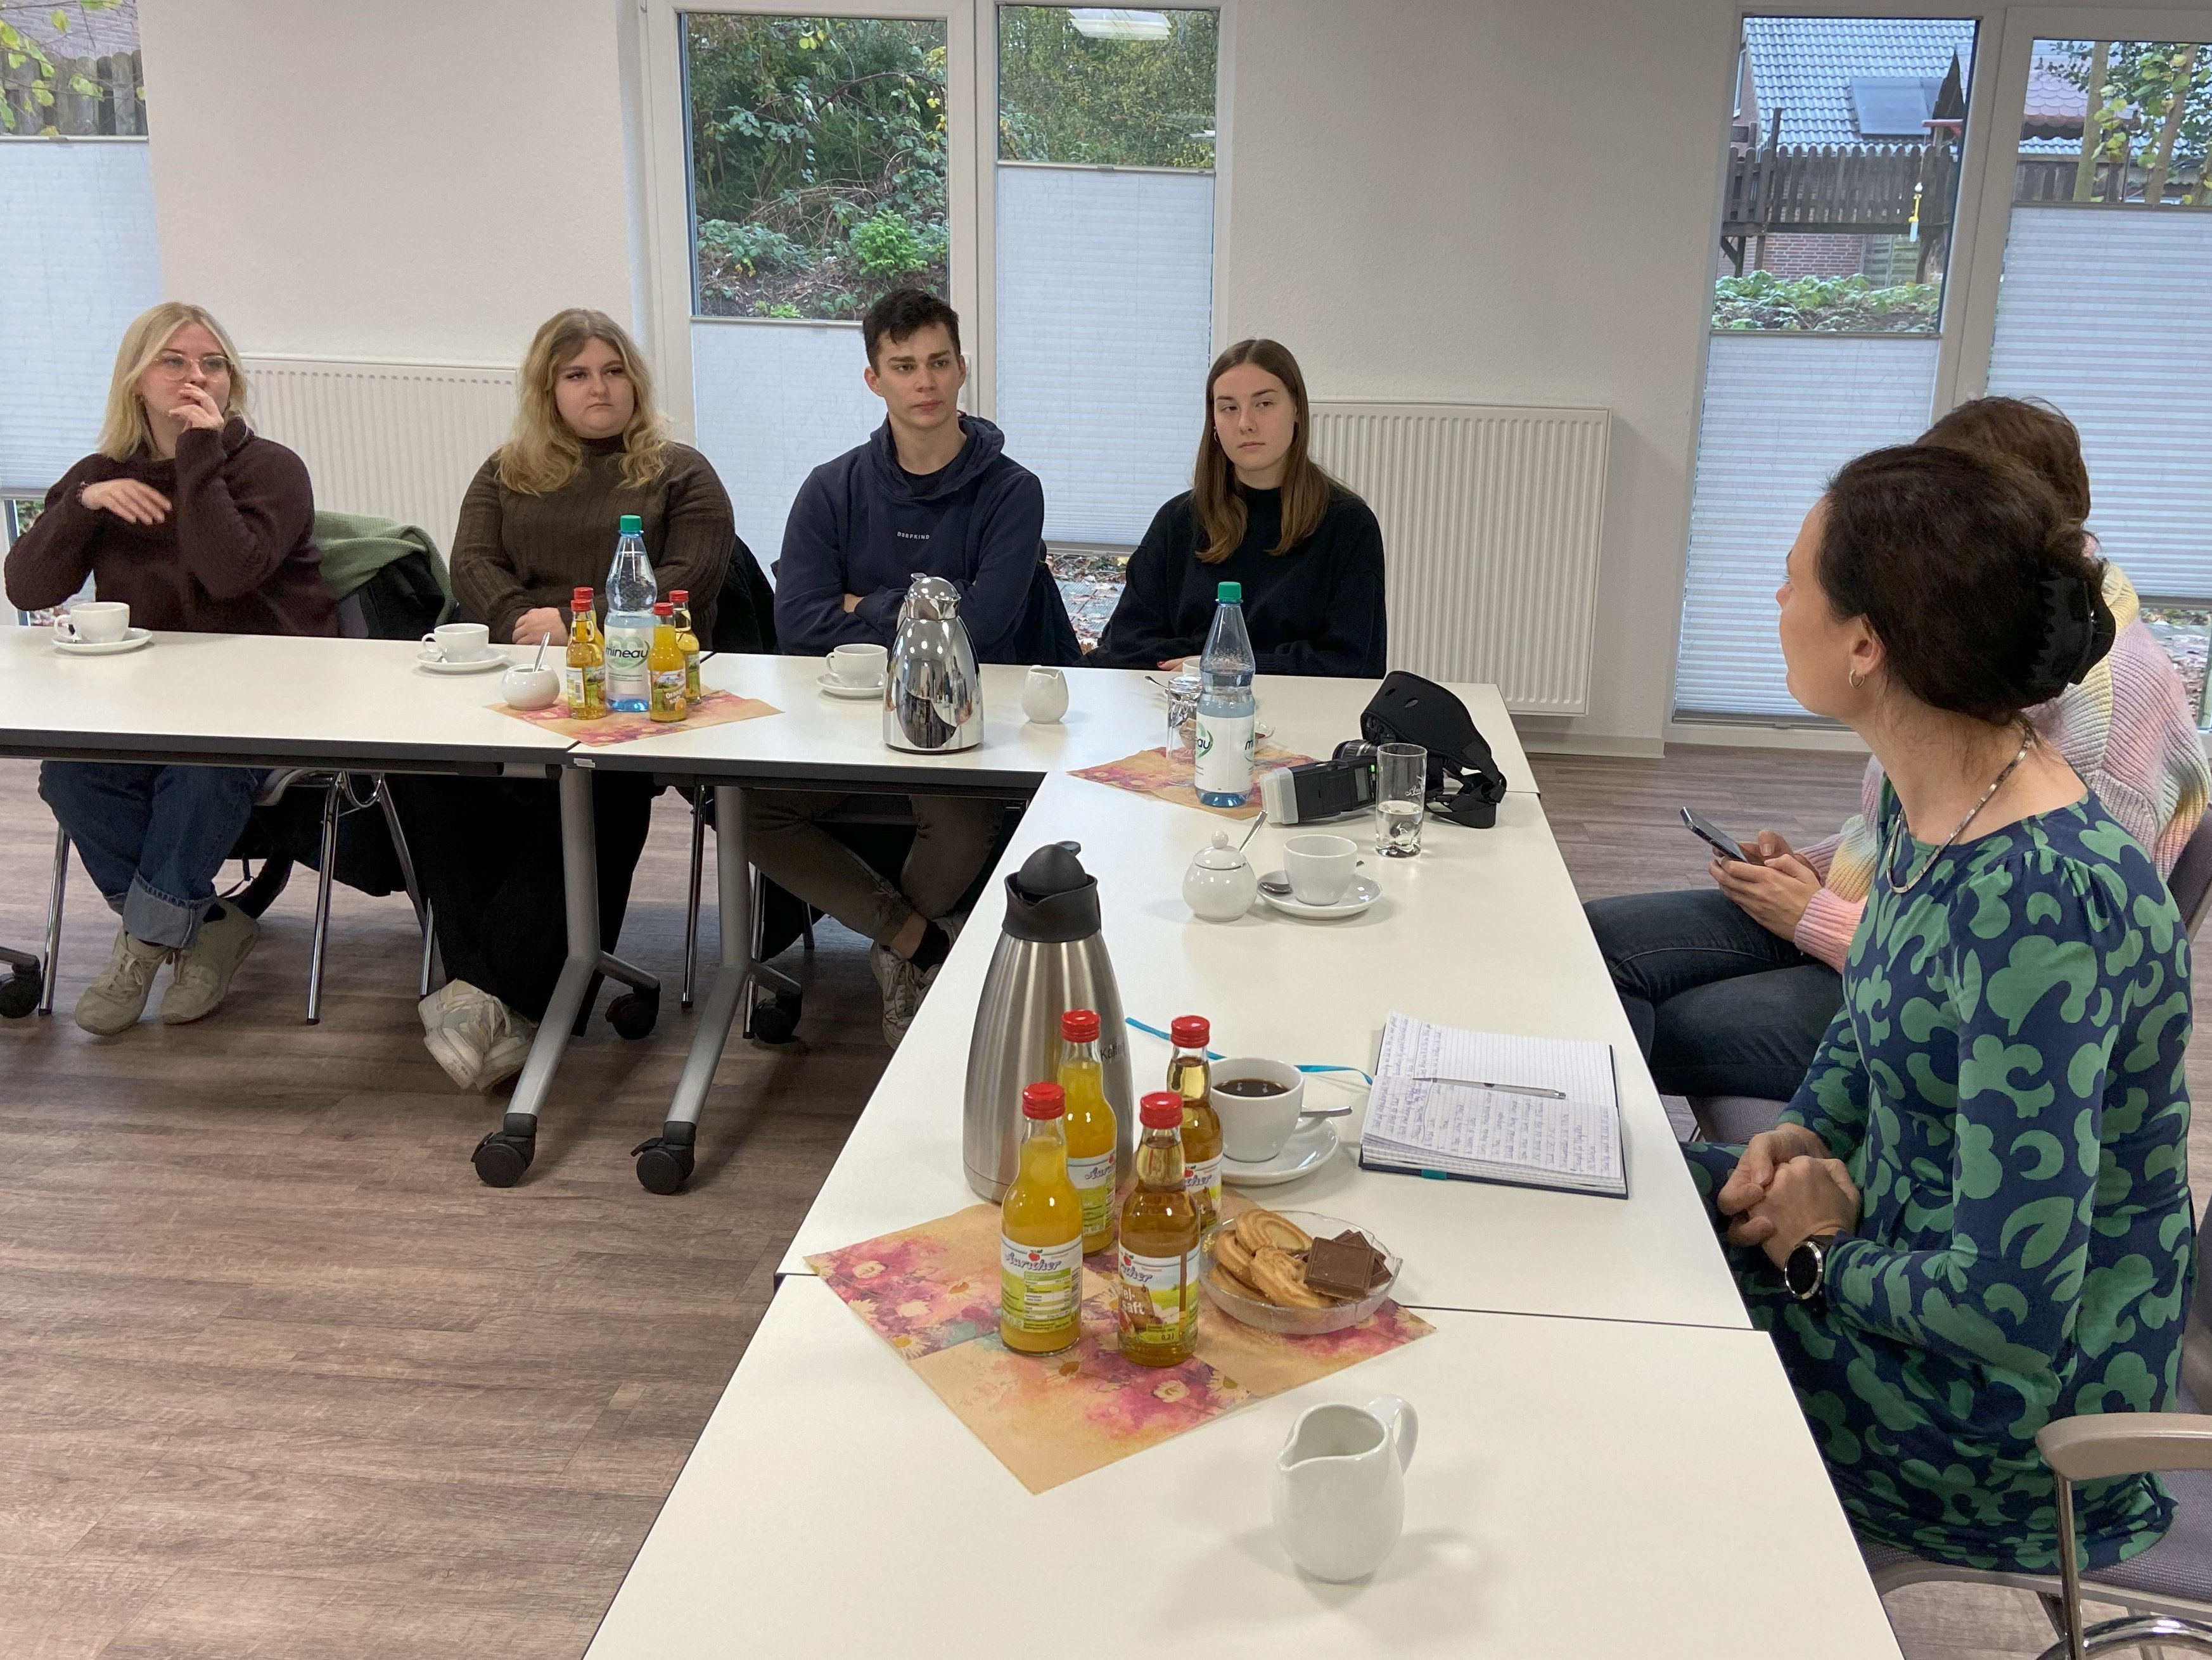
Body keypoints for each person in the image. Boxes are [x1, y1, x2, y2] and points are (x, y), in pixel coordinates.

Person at [1687, 444, 2195, 1573]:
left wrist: (1815, 1250)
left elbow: (2007, 1308)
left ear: (1866, 644)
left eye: (1791, 579)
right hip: (1904, 1273)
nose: (1773, 601)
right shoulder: (1945, 805)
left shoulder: (2043, 909)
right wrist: (1801, 1133)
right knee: (1636, 1218)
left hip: (2001, 1418)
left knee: (1650, 1337)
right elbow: (1874, 1027)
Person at [1588, 397, 2208, 1101]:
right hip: (1883, 921)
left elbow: (2019, 988)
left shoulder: (2051, 850)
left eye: (1796, 582)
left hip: (1928, 965)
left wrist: (1811, 917)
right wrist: (1812, 871)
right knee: (1591, 957)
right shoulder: (1951, 726)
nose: (1776, 599)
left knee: (1647, 1022)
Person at [391, 309, 732, 1090]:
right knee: (424, 772)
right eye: (578, 374)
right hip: (518, 673)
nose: (599, 388)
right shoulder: (507, 470)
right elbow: (471, 562)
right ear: (549, 388)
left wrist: (589, 622)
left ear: (634, 382)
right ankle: (497, 999)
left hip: (634, 685)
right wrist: (518, 619)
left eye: (612, 371)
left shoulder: (680, 471)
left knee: (592, 788)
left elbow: (693, 578)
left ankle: (490, 1000)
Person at [3, 301, 333, 1035]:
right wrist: (80, 506)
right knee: (70, 774)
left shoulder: (270, 469)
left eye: (212, 364)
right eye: (175, 362)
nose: (196, 377)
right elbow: (27, 591)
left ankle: (147, 938)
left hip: (267, 695)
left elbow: (230, 574)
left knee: (203, 767)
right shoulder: (101, 475)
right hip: (146, 698)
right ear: (134, 379)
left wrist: (198, 457)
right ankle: (208, 924)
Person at [759, 288, 1078, 1046]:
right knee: (748, 807)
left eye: (938, 362)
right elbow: (795, 622)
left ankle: (901, 948)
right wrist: (922, 602)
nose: (924, 381)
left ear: (962, 368)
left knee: (964, 823)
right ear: (874, 380)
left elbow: (985, 624)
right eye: (903, 366)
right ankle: (918, 944)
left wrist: (861, 603)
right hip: (843, 719)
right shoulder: (831, 487)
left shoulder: (1011, 491)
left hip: (963, 722)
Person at [1090, 338, 1386, 677]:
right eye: (1229, 407)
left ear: (1298, 411)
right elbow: (1126, 643)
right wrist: (1218, 668)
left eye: (1264, 404)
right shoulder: (1177, 521)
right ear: (1214, 423)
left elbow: (1353, 663)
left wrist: (1214, 666)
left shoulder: (1348, 525)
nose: (1245, 422)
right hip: (1186, 711)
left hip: (1303, 711)